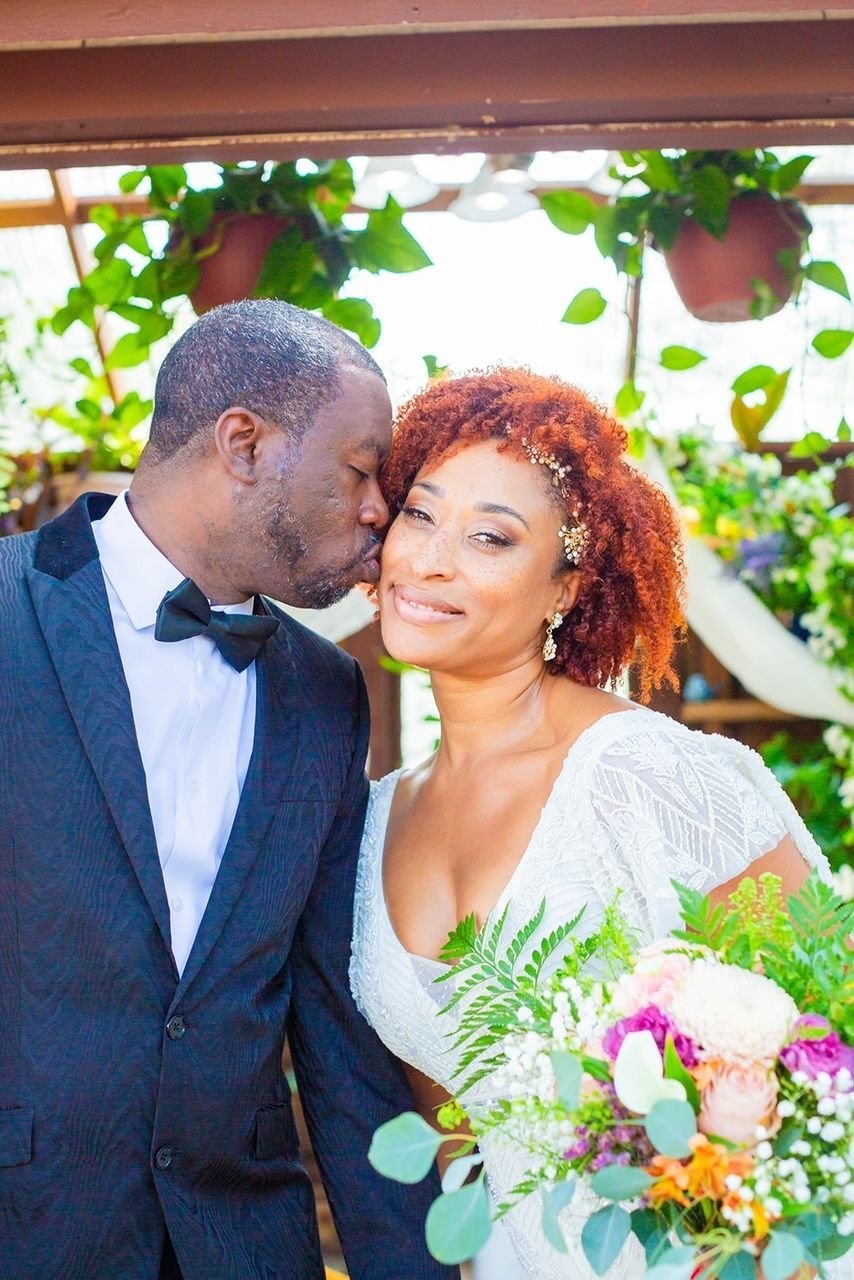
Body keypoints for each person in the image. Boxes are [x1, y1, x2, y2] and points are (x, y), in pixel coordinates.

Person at [0, 300, 455, 1280]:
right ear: (243, 443)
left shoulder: (329, 694)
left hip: (244, 1246)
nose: (382, 507)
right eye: (359, 469)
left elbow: (337, 1026)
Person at [349, 368, 835, 1280]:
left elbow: (828, 1046)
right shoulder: (375, 818)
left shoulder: (656, 777)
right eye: (420, 514)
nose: (430, 559)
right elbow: (454, 1137)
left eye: (490, 536)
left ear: (566, 588)